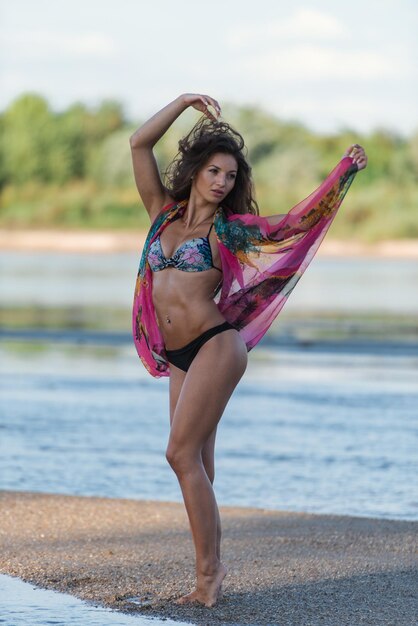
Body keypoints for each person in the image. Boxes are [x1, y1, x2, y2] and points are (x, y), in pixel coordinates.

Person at [129, 93, 368, 608]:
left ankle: (208, 579)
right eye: (214, 171)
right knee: (198, 465)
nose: (222, 182)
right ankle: (211, 572)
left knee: (179, 453)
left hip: (217, 346)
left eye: (231, 176)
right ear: (195, 171)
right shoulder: (161, 214)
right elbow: (139, 142)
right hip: (179, 356)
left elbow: (295, 223)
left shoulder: (228, 230)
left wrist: (343, 173)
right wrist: (185, 101)